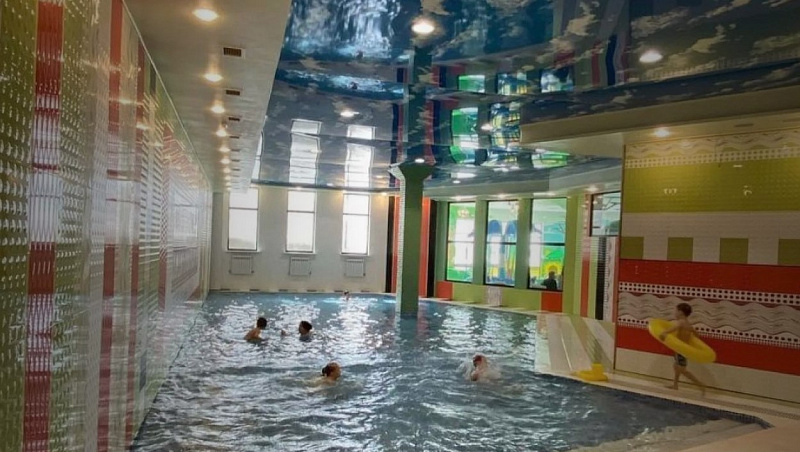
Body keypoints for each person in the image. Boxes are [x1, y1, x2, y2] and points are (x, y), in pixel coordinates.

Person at [659, 303, 706, 394]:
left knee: (683, 370)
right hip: (682, 350)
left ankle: (700, 385)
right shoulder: (688, 323)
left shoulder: (681, 322)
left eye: (675, 311)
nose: (674, 313)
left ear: (680, 312)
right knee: (676, 366)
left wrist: (664, 333)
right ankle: (675, 385)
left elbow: (673, 329)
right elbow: (696, 335)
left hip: (681, 350)